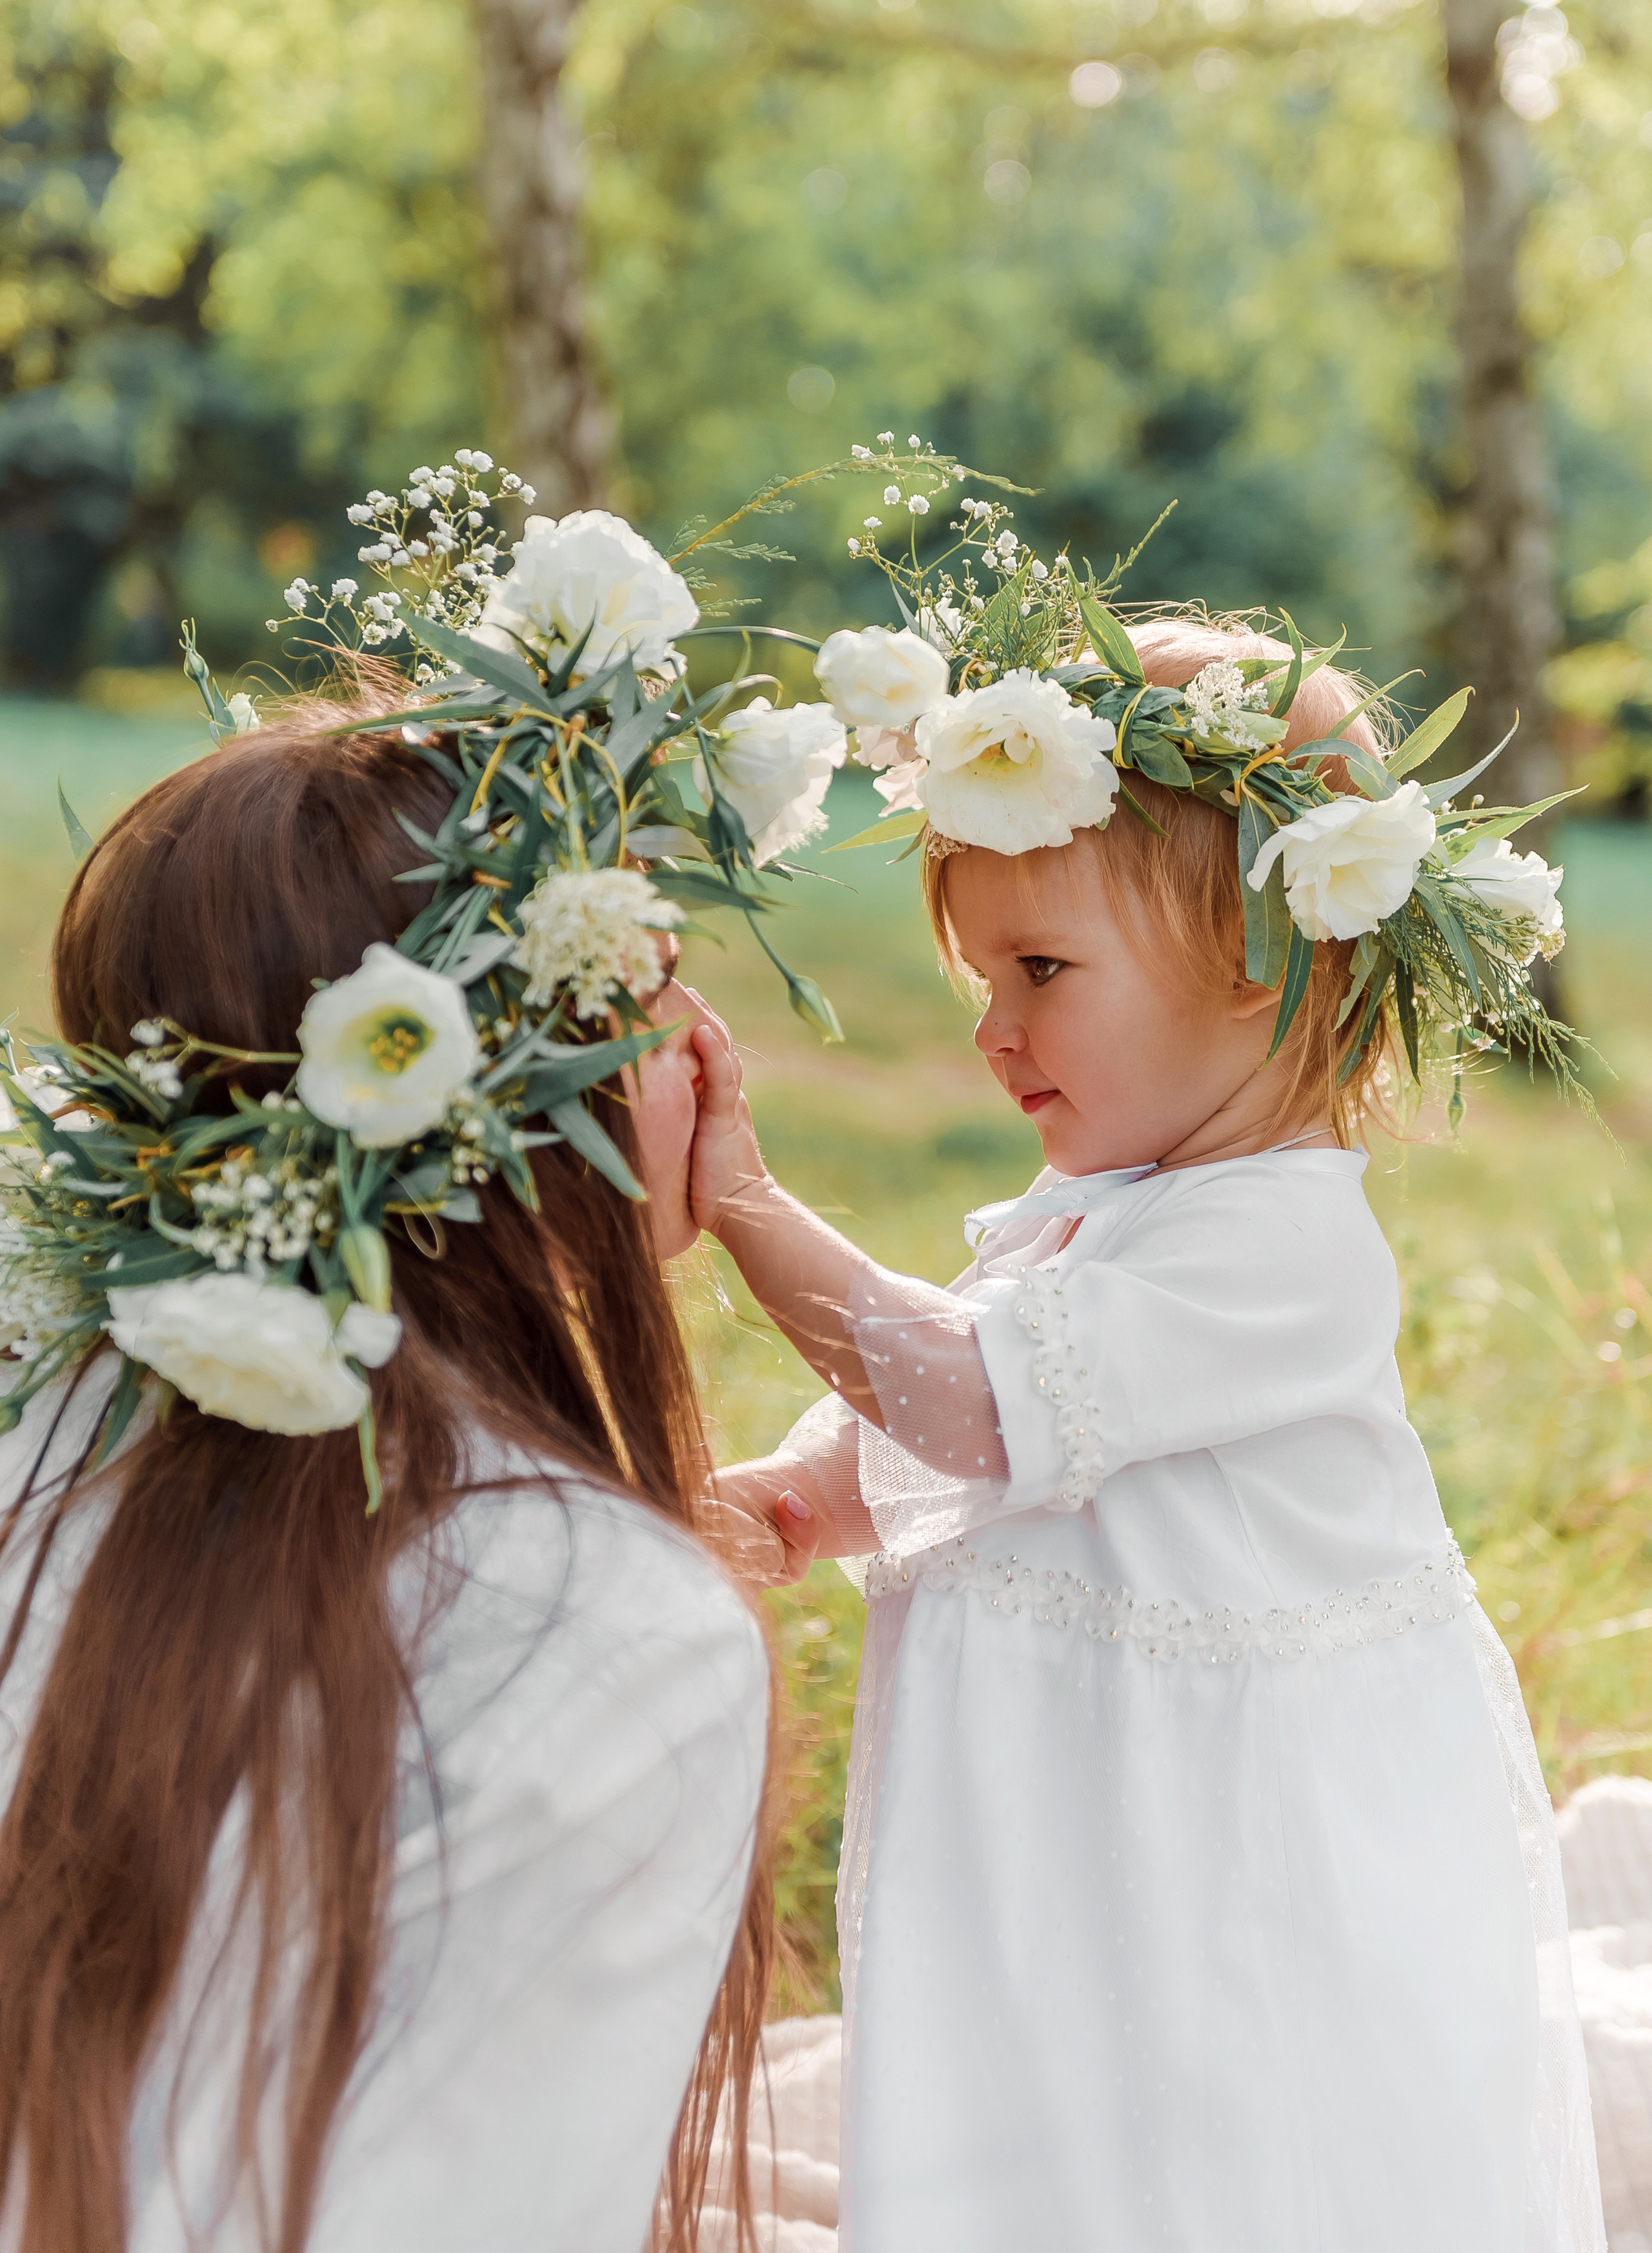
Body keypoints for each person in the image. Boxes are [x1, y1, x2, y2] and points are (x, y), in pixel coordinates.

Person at [698, 617, 1606, 2252]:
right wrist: (804, 1498)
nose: (991, 1031)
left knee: (1226, 2164)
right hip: (1064, 1833)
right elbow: (971, 1409)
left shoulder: (1280, 1246)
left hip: (1234, 1865)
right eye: (983, 979)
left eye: (1041, 973)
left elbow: (974, 1405)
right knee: (1040, 2126)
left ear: (1278, 965)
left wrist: (745, 1205)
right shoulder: (1083, 1210)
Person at [0, 700, 774, 2253]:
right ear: (520, 1113)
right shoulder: (612, 1626)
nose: (709, 1053)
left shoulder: (52, 1422)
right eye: (660, 994)